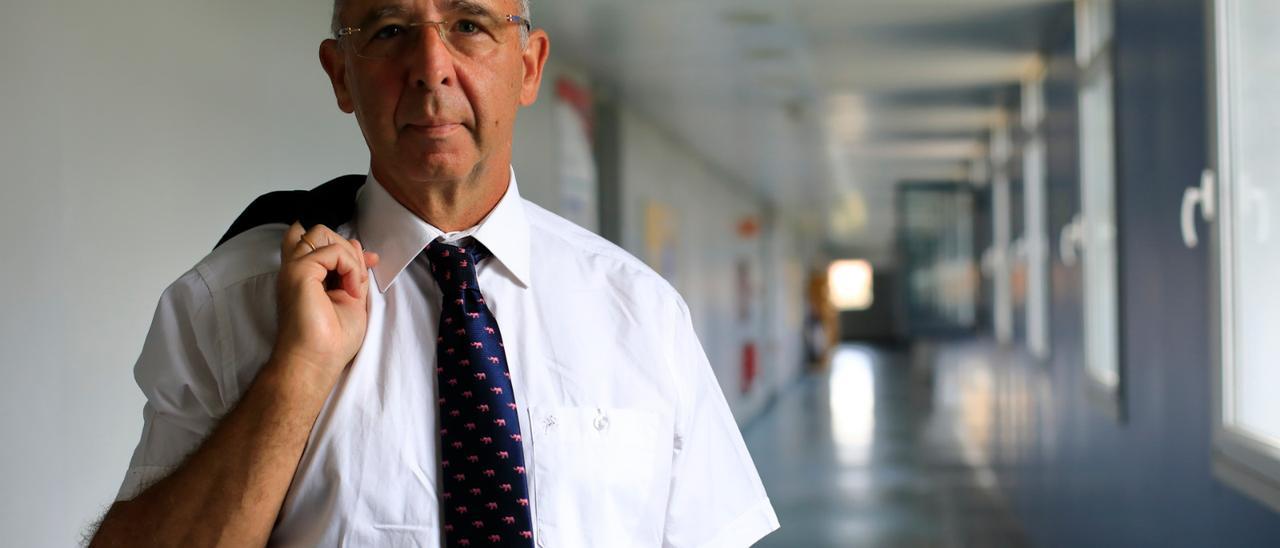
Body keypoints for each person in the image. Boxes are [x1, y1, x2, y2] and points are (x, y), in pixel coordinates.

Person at [90, 0, 779, 546]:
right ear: (340, 75)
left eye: (470, 25)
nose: (430, 66)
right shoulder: (226, 307)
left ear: (529, 66)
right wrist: (295, 378)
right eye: (389, 29)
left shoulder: (641, 313)